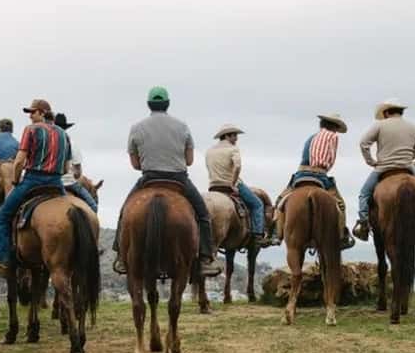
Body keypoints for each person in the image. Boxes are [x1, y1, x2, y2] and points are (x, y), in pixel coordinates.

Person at [112, 86, 223, 277]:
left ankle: (122, 257)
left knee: (124, 213)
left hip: (149, 178)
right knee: (203, 215)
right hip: (178, 179)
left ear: (149, 105)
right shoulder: (182, 126)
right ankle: (205, 258)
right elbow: (189, 161)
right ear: (167, 104)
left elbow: (135, 164)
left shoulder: (136, 128)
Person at [0, 99, 71, 277]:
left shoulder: (31, 130)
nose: (30, 116)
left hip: (33, 180)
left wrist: (16, 180)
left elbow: (18, 161)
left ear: (41, 113)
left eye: (32, 112)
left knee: (2, 216)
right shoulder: (64, 134)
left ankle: (4, 261)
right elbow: (65, 168)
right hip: (56, 184)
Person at [352, 98, 415, 241]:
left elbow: (364, 143)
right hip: (407, 165)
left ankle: (363, 224)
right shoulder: (414, 127)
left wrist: (371, 162)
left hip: (383, 167)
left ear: (386, 112)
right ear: (401, 112)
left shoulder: (379, 126)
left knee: (364, 194)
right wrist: (406, 159)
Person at [272, 113, 354, 249]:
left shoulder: (310, 139)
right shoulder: (331, 137)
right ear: (333, 126)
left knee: (280, 201)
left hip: (300, 174)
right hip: (319, 175)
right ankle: (341, 237)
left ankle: (275, 233)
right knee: (340, 204)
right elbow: (327, 160)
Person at [204, 124, 268, 246]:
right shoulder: (233, 149)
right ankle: (257, 236)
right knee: (257, 205)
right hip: (230, 185)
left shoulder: (209, 151)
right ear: (227, 136)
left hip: (213, 186)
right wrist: (232, 183)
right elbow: (237, 166)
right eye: (234, 135)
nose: (236, 139)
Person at [55, 113, 98, 212]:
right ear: (66, 128)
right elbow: (78, 173)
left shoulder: (48, 142)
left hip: (50, 183)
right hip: (69, 183)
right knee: (93, 206)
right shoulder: (72, 144)